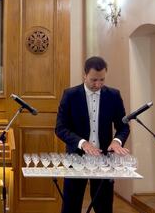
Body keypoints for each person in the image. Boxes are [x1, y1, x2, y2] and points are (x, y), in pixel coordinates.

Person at [55, 56, 130, 213]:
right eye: (93, 80)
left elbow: (123, 127)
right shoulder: (70, 95)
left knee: (104, 207)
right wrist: (83, 143)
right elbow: (60, 128)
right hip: (76, 158)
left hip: (104, 161)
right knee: (71, 207)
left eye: (102, 80)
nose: (98, 84)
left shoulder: (114, 96)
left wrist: (117, 141)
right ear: (85, 75)